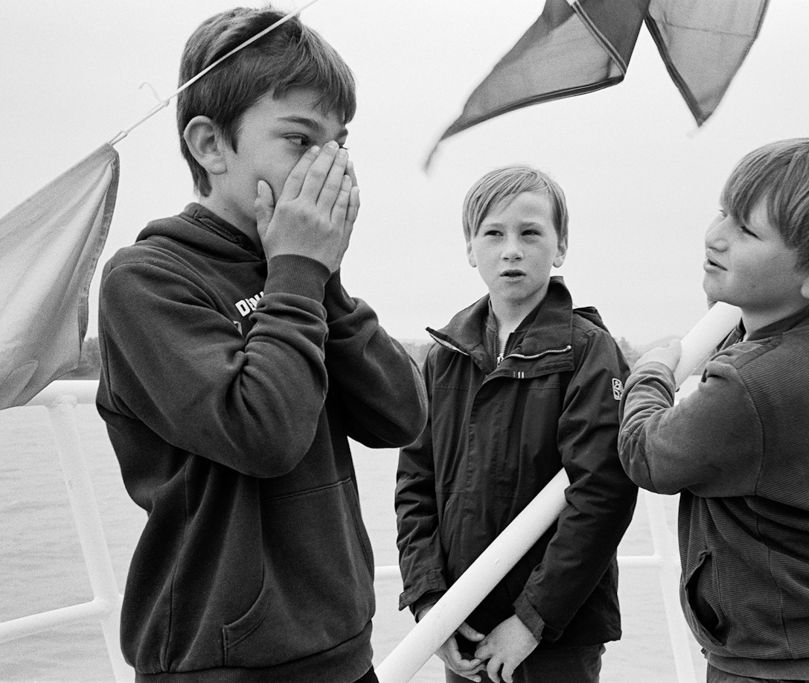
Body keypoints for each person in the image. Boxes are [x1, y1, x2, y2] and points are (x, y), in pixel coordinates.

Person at [95, 7, 427, 681]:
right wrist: (299, 273)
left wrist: (322, 280)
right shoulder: (146, 281)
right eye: (302, 140)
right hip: (223, 660)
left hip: (341, 646)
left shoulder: (300, 269)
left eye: (340, 144)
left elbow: (401, 415)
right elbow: (263, 434)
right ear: (211, 146)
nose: (329, 167)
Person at [617, 138, 809, 682]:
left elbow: (647, 456)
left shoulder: (753, 382)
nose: (716, 234)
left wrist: (649, 372)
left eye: (746, 230)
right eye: (725, 210)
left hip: (781, 663)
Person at [395, 166, 638, 683]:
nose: (511, 249)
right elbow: (415, 487)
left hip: (554, 635)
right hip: (464, 625)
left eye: (530, 233)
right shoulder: (444, 357)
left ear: (560, 247)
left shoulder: (587, 351)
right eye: (494, 233)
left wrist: (532, 620)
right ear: (470, 248)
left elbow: (603, 493)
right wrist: (430, 604)